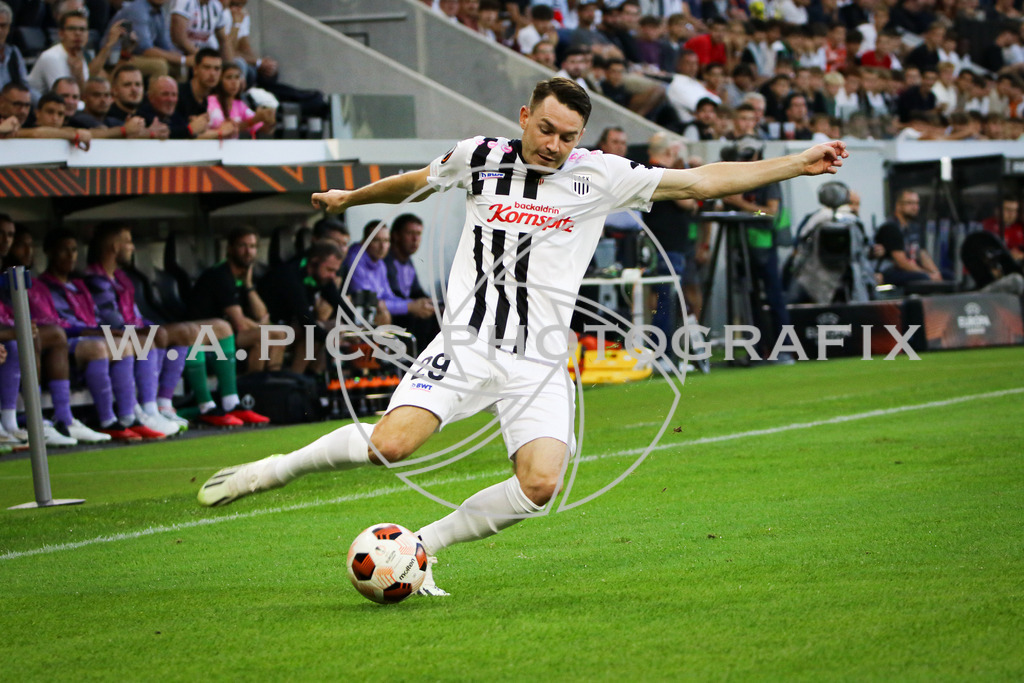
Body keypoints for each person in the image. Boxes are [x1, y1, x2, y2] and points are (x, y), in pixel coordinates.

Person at [197, 77, 847, 595]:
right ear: (524, 116)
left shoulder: (599, 176)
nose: (554, 145)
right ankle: (269, 469)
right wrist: (350, 199)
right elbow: (417, 184)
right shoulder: (477, 158)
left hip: (538, 358)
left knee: (539, 486)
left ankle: (421, 546)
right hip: (467, 341)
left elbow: (702, 180)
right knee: (391, 445)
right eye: (545, 129)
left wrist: (798, 163)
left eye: (567, 136)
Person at [188, 226, 287, 374]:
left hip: (230, 332)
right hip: (207, 337)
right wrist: (261, 326)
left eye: (252, 246)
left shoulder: (244, 275)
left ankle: (272, 387)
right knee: (263, 337)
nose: (248, 252)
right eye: (243, 246)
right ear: (230, 249)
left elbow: (262, 314)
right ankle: (251, 391)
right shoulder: (220, 275)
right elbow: (240, 323)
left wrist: (248, 286)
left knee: (280, 335)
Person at [257, 240, 346, 373]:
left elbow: (340, 305)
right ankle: (297, 378)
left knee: (335, 327)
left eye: (335, 271)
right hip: (271, 326)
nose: (333, 276)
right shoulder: (291, 276)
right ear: (314, 262)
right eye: (329, 270)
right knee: (313, 332)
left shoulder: (322, 276)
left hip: (292, 326)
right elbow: (306, 321)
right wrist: (334, 341)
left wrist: (357, 331)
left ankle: (316, 377)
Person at [384, 213, 440, 350]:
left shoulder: (407, 261)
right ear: (396, 236)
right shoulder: (386, 260)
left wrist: (437, 306)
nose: (415, 239)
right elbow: (394, 296)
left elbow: (417, 292)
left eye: (419, 234)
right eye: (410, 233)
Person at [874, 189, 947, 286]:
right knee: (924, 278)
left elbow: (922, 254)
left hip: (911, 269)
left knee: (947, 275)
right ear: (898, 205)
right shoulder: (891, 227)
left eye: (917, 203)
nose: (915, 207)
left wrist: (935, 272)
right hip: (891, 271)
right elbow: (901, 262)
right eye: (910, 203)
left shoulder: (914, 227)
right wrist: (927, 274)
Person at [206, 61, 274, 138]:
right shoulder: (209, 102)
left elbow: (263, 129)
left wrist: (269, 121)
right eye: (229, 77)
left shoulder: (240, 105)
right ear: (219, 80)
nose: (234, 82)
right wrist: (255, 120)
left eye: (237, 77)